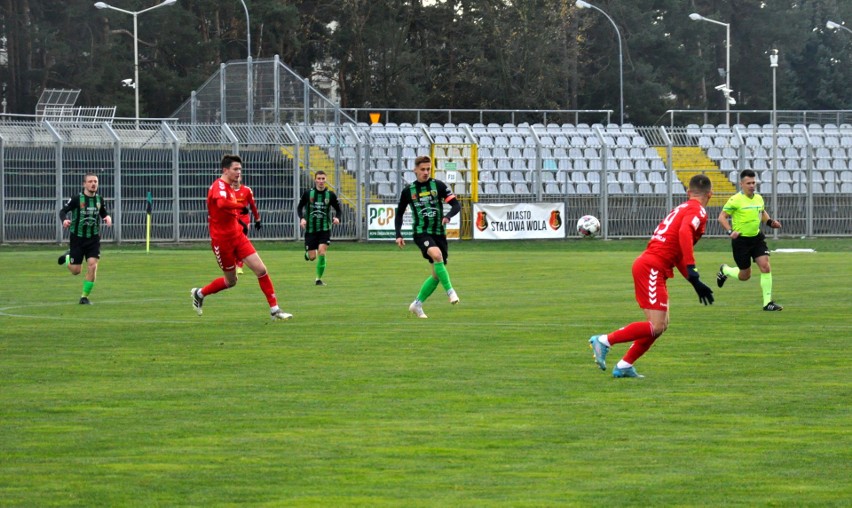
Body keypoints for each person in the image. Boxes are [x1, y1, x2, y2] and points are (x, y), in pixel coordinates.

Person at [588, 174, 715, 378]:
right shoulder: (697, 210)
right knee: (656, 325)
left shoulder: (681, 208)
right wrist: (692, 268)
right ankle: (603, 341)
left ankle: (624, 365)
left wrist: (694, 280)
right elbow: (684, 233)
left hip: (652, 265)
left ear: (688, 192)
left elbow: (677, 251)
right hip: (652, 267)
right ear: (711, 194)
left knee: (660, 325)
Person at [191, 154, 292, 320]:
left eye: (240, 169)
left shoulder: (231, 187)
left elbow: (227, 211)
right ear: (225, 170)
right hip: (222, 242)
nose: (239, 172)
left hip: (237, 236)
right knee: (231, 281)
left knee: (261, 270)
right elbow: (222, 204)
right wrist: (240, 206)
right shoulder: (219, 186)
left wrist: (241, 221)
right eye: (235, 169)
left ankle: (275, 310)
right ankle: (200, 293)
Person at [394, 155, 462, 319]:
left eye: (428, 169)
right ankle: (451, 292)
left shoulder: (437, 186)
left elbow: (455, 204)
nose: (425, 172)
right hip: (421, 232)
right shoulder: (408, 191)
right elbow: (399, 214)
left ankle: (417, 304)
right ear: (415, 170)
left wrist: (448, 216)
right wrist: (398, 234)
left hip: (438, 233)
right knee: (437, 255)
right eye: (422, 169)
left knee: (437, 275)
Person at [716, 169, 783, 311]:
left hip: (757, 238)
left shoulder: (758, 198)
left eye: (754, 182)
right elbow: (722, 217)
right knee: (745, 275)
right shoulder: (735, 200)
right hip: (741, 241)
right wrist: (730, 231)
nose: (752, 185)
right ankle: (725, 270)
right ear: (741, 184)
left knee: (765, 266)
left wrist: (771, 223)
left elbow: (762, 213)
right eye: (749, 183)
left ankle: (767, 303)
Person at [57, 172, 113, 304]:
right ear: (84, 184)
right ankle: (67, 258)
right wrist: (64, 220)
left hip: (93, 239)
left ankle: (84, 297)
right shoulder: (77, 199)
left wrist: (107, 217)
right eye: (90, 181)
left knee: (92, 266)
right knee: (76, 271)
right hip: (77, 238)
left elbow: (103, 212)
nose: (93, 184)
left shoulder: (100, 199)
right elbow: (62, 211)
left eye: (95, 181)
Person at [296, 170, 342, 286]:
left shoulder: (330, 195)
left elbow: (339, 209)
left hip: (324, 229)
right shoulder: (308, 193)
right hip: (311, 229)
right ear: (315, 179)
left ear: (325, 180)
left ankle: (318, 279)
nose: (321, 181)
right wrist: (302, 218)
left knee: (322, 252)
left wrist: (337, 217)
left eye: (323, 179)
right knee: (312, 257)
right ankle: (308, 254)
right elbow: (299, 207)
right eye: (319, 178)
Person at [231, 174, 261, 275]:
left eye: (238, 177)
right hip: (232, 220)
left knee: (241, 242)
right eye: (235, 177)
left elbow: (252, 205)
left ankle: (239, 265)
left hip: (244, 220)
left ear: (241, 178)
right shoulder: (227, 191)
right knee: (233, 244)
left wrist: (257, 219)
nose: (236, 179)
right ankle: (234, 264)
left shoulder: (247, 190)